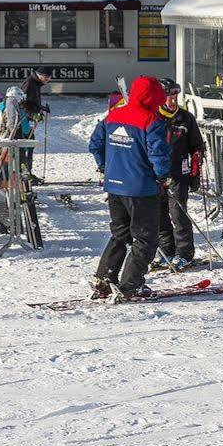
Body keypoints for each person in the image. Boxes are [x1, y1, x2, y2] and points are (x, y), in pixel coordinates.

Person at [88, 74, 174, 300]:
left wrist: (106, 167)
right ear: (155, 96)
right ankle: (130, 284)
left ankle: (104, 278)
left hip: (115, 187)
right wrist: (162, 176)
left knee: (120, 233)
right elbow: (159, 154)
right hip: (141, 189)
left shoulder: (113, 116)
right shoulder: (151, 121)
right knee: (145, 239)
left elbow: (95, 144)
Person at [156, 79, 206, 270]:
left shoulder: (186, 117)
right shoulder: (154, 117)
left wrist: (195, 171)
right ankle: (165, 251)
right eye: (169, 95)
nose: (173, 99)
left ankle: (184, 253)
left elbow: (197, 145)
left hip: (179, 172)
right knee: (159, 214)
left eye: (175, 95)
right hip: (158, 173)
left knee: (178, 213)